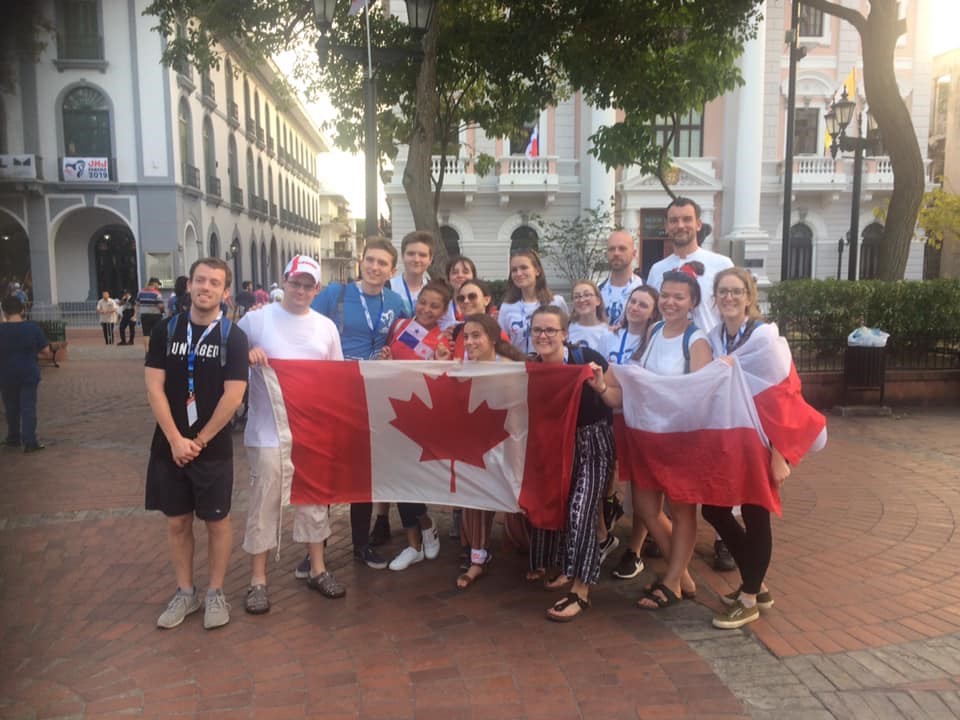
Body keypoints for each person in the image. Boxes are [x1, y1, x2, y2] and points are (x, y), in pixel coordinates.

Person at [591, 263, 712, 610]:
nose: (671, 302)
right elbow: (635, 372)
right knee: (644, 506)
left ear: (692, 302)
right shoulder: (656, 330)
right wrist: (604, 383)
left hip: (680, 439)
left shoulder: (697, 339)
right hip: (648, 435)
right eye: (667, 296)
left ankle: (672, 581)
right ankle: (683, 574)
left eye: (680, 297)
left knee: (682, 511)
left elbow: (701, 392)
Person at [702, 268, 811, 629]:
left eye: (736, 291)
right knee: (715, 510)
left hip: (763, 439)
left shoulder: (763, 337)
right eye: (722, 292)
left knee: (755, 512)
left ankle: (749, 598)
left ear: (749, 297)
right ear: (715, 298)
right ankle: (757, 584)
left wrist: (781, 452)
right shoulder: (717, 336)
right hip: (733, 438)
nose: (729, 297)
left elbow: (784, 394)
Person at [144, 257, 249, 630]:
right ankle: (185, 593)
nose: (206, 288)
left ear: (224, 291)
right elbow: (154, 387)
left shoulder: (233, 337)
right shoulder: (166, 331)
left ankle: (215, 592)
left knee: (217, 521)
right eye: (200, 280)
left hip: (213, 449)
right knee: (177, 522)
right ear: (189, 285)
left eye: (214, 283)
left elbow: (233, 397)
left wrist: (199, 441)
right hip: (169, 446)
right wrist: (176, 439)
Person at [239, 255, 346, 615]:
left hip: (311, 430)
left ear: (317, 289)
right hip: (267, 431)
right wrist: (246, 354)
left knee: (314, 498)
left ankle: (318, 568)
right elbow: (228, 362)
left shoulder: (326, 327)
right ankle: (258, 579)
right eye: (295, 282)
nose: (300, 290)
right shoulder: (256, 320)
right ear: (284, 281)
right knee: (265, 499)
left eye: (308, 284)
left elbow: (335, 379)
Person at [645, 197, 736, 570]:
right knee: (673, 450)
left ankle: (725, 536)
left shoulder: (721, 264)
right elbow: (654, 309)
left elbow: (731, 307)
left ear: (698, 224)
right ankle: (666, 527)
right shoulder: (657, 269)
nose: (680, 225)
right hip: (670, 367)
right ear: (666, 226)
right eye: (673, 220)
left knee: (716, 452)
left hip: (708, 363)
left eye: (686, 219)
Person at [311, 237, 409, 570]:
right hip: (333, 393)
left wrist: (394, 352)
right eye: (370, 260)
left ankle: (361, 545)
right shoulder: (333, 295)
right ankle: (316, 551)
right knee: (325, 471)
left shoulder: (396, 301)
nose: (374, 267)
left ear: (391, 270)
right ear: (361, 261)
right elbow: (306, 330)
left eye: (382, 263)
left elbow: (408, 339)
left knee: (362, 471)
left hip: (371, 396)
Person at [523, 306, 614, 622]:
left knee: (581, 510)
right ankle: (566, 566)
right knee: (559, 505)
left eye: (550, 330)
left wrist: (600, 385)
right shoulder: (531, 367)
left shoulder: (585, 359)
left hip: (592, 443)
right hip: (553, 446)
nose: (544, 336)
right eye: (538, 330)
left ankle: (581, 591)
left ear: (564, 334)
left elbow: (617, 399)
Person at [377, 281, 450, 571]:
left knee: (410, 479)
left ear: (443, 310)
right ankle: (415, 541)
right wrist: (388, 360)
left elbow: (442, 378)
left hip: (420, 415)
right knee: (397, 478)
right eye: (423, 302)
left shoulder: (444, 339)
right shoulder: (399, 326)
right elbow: (390, 362)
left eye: (435, 306)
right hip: (391, 408)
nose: (427, 309)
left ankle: (423, 527)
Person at [454, 313, 527, 590]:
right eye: (466, 337)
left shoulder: (509, 369)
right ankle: (477, 559)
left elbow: (518, 416)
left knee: (517, 501)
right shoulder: (463, 368)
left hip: (507, 444)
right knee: (474, 500)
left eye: (476, 336)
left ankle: (530, 550)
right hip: (476, 445)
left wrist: (516, 452)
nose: (470, 342)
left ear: (493, 338)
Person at [603, 286, 660, 580]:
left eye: (643, 305)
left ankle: (635, 550)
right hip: (609, 414)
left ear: (653, 312)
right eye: (633, 302)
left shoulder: (655, 340)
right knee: (606, 472)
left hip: (638, 419)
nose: (635, 308)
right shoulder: (609, 334)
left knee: (641, 486)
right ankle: (606, 526)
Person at [0, 294, 52, 453]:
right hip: (28, 372)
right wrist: (31, 355)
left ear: (4, 311)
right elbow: (46, 352)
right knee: (28, 407)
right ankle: (30, 442)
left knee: (11, 407)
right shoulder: (32, 328)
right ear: (22, 310)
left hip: (6, 373)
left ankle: (13, 437)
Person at [498, 249, 568, 355]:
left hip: (550, 366)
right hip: (520, 368)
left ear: (537, 270)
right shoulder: (507, 307)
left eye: (524, 268)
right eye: (514, 270)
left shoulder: (556, 302)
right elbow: (502, 343)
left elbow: (566, 337)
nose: (519, 273)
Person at [435, 279, 506, 361]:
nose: (466, 301)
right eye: (461, 298)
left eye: (472, 296)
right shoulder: (456, 332)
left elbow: (507, 369)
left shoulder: (497, 333)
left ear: (486, 300)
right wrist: (444, 361)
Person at [599, 231, 644, 327]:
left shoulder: (645, 290)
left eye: (622, 248)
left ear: (634, 253)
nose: (616, 253)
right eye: (611, 249)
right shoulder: (598, 293)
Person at [389, 230, 434, 317]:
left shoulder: (435, 290)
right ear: (402, 256)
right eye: (411, 254)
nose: (416, 259)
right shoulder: (387, 288)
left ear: (430, 259)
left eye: (422, 255)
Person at [568, 280, 611, 352]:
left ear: (598, 300)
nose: (581, 300)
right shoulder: (566, 329)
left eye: (587, 295)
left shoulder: (607, 332)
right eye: (576, 296)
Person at [439, 255, 478, 330]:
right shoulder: (442, 309)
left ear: (473, 276)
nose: (460, 275)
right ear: (448, 278)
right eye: (455, 272)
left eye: (465, 272)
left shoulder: (483, 305)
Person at [137, 278, 165, 351]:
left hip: (144, 315)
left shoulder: (140, 292)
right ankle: (156, 351)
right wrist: (162, 311)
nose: (158, 286)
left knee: (146, 334)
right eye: (158, 284)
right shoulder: (157, 293)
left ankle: (147, 351)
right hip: (155, 315)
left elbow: (137, 303)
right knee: (157, 333)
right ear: (154, 283)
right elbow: (160, 305)